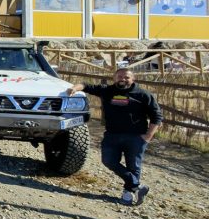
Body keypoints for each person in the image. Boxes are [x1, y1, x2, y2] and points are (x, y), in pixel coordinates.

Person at [67, 68, 162, 205]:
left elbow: (157, 115)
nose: (122, 79)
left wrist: (148, 136)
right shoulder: (107, 90)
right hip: (112, 135)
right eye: (119, 76)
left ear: (133, 79)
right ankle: (138, 186)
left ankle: (128, 194)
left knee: (133, 166)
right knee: (108, 161)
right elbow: (86, 85)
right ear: (114, 78)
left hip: (135, 137)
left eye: (126, 77)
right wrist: (74, 88)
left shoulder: (143, 94)